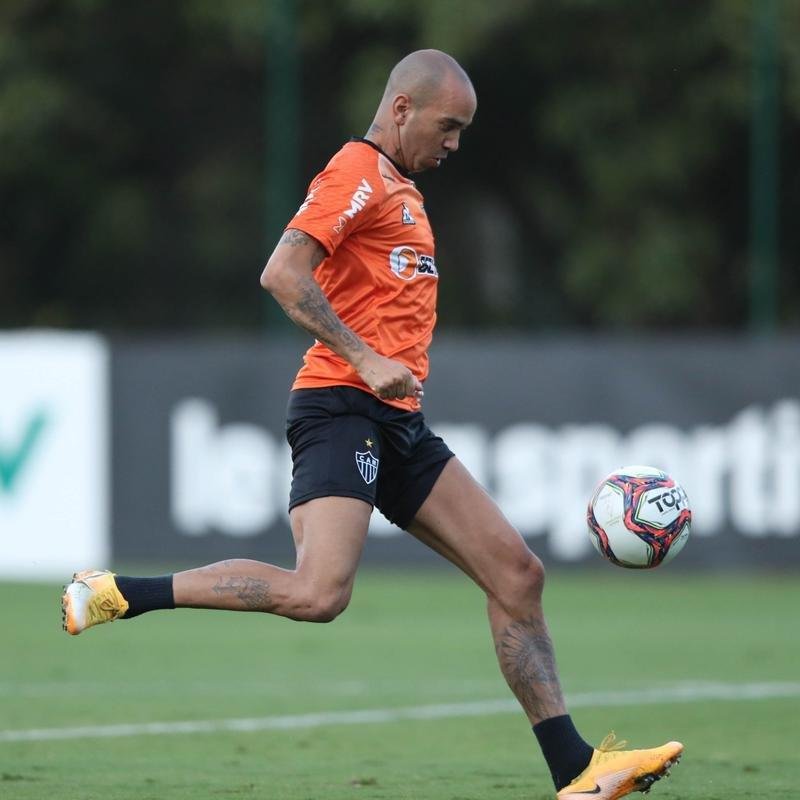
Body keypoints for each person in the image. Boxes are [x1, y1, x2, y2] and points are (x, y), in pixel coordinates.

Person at [61, 49, 682, 800]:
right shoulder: (356, 172)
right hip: (340, 405)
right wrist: (363, 355)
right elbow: (281, 274)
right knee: (319, 594)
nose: (454, 142)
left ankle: (575, 770)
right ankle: (119, 591)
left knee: (516, 573)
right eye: (448, 126)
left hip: (396, 420)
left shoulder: (403, 191)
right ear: (400, 111)